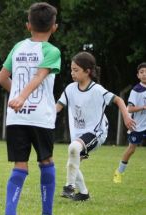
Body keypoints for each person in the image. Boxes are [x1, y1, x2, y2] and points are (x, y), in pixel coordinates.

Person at [0, 2, 60, 215]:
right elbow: (40, 76)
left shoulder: (18, 47)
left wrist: (16, 96)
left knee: (19, 165)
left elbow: (2, 78)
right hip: (40, 117)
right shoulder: (52, 51)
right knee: (46, 161)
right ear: (54, 27)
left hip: (16, 118)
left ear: (28, 26)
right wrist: (22, 96)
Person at [57, 52, 135, 201]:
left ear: (87, 71)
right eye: (71, 69)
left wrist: (126, 116)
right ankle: (84, 194)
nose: (72, 73)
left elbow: (118, 100)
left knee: (73, 149)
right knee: (72, 162)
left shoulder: (97, 89)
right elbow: (58, 106)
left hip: (96, 132)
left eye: (76, 70)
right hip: (79, 135)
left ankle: (69, 187)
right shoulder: (70, 89)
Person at [113, 62, 146, 183]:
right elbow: (129, 109)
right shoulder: (136, 90)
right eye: (142, 72)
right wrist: (143, 107)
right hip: (137, 126)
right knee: (131, 149)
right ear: (138, 75)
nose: (144, 74)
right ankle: (119, 172)